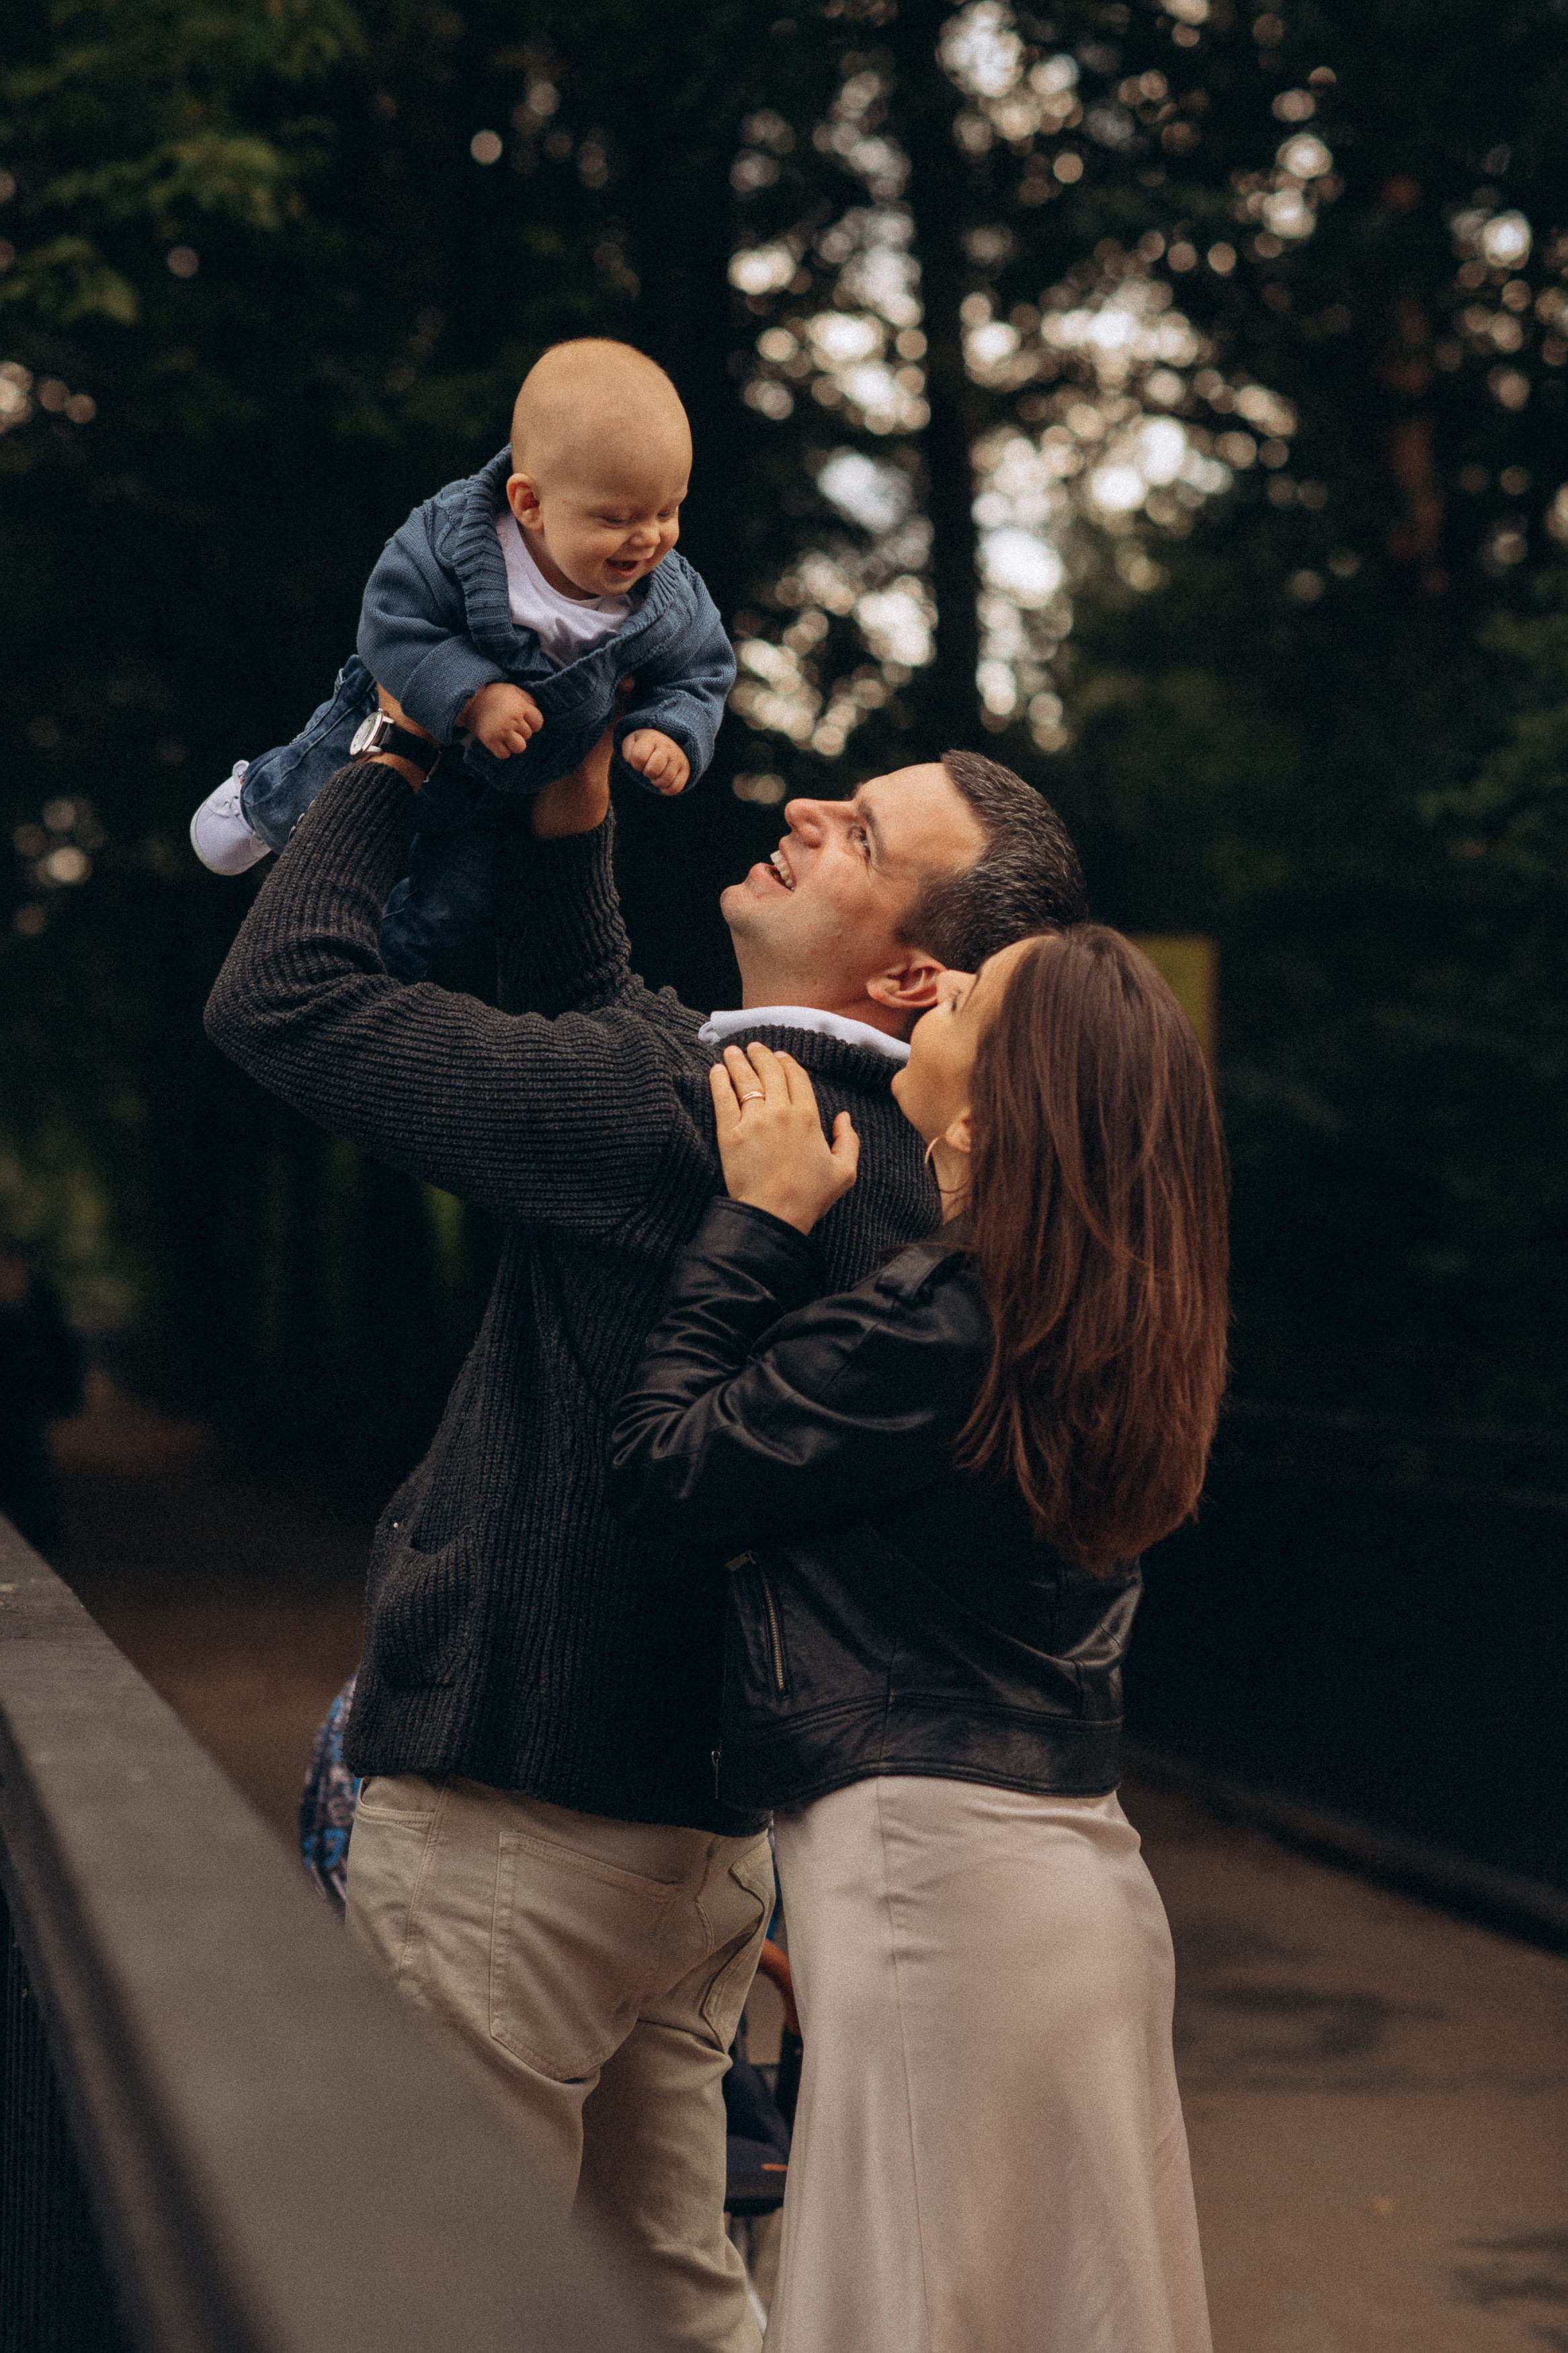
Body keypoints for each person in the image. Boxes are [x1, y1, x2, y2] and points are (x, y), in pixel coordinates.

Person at [204, 704, 1087, 2352]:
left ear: (911, 975)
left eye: (865, 837)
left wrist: (388, 747)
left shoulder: (675, 1110)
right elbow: (605, 1025)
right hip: (699, 1856)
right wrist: (567, 826)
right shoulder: (889, 1158)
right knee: (670, 2299)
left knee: (434, 2300)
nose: (811, 804)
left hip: (520, 1828)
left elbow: (285, 1002)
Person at [610, 926, 1229, 2352]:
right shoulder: (1088, 1319)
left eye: (972, 993)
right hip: (1063, 1882)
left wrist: (756, 1223)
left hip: (935, 1887)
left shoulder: (942, 1320)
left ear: (1005, 1100)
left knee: (901, 2304)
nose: (935, 984)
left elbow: (662, 1467)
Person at [190, 340, 735, 978]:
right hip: (405, 710)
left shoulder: (669, 601)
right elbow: (390, 622)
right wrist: (474, 694)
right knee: (316, 797)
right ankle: (258, 800)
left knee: (458, 904)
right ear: (530, 503)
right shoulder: (455, 537)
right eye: (616, 518)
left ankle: (375, 968)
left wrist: (670, 731)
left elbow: (701, 673)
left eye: (668, 511)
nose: (647, 539)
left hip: (506, 783)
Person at [0, 1240, 85, 1558]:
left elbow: (58, 1345)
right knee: (26, 1462)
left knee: (26, 1461)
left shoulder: (33, 1289)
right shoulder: (31, 1287)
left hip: (22, 1394)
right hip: (23, 1393)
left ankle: (38, 1533)